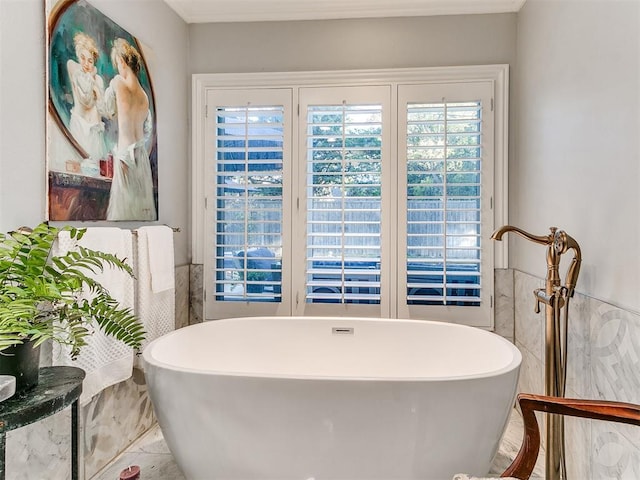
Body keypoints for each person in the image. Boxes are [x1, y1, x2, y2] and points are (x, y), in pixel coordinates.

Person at [104, 38, 156, 221]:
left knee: (122, 213)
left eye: (117, 62)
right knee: (139, 212)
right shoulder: (144, 97)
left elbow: (108, 110)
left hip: (125, 154)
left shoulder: (118, 82)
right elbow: (147, 129)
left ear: (121, 60)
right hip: (140, 157)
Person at [66, 32, 108, 163]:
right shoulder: (74, 68)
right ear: (78, 56)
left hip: (95, 131)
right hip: (79, 125)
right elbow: (86, 100)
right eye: (83, 58)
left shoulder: (99, 80)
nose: (86, 63)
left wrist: (98, 90)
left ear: (94, 62)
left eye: (90, 61)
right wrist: (91, 76)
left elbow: (103, 110)